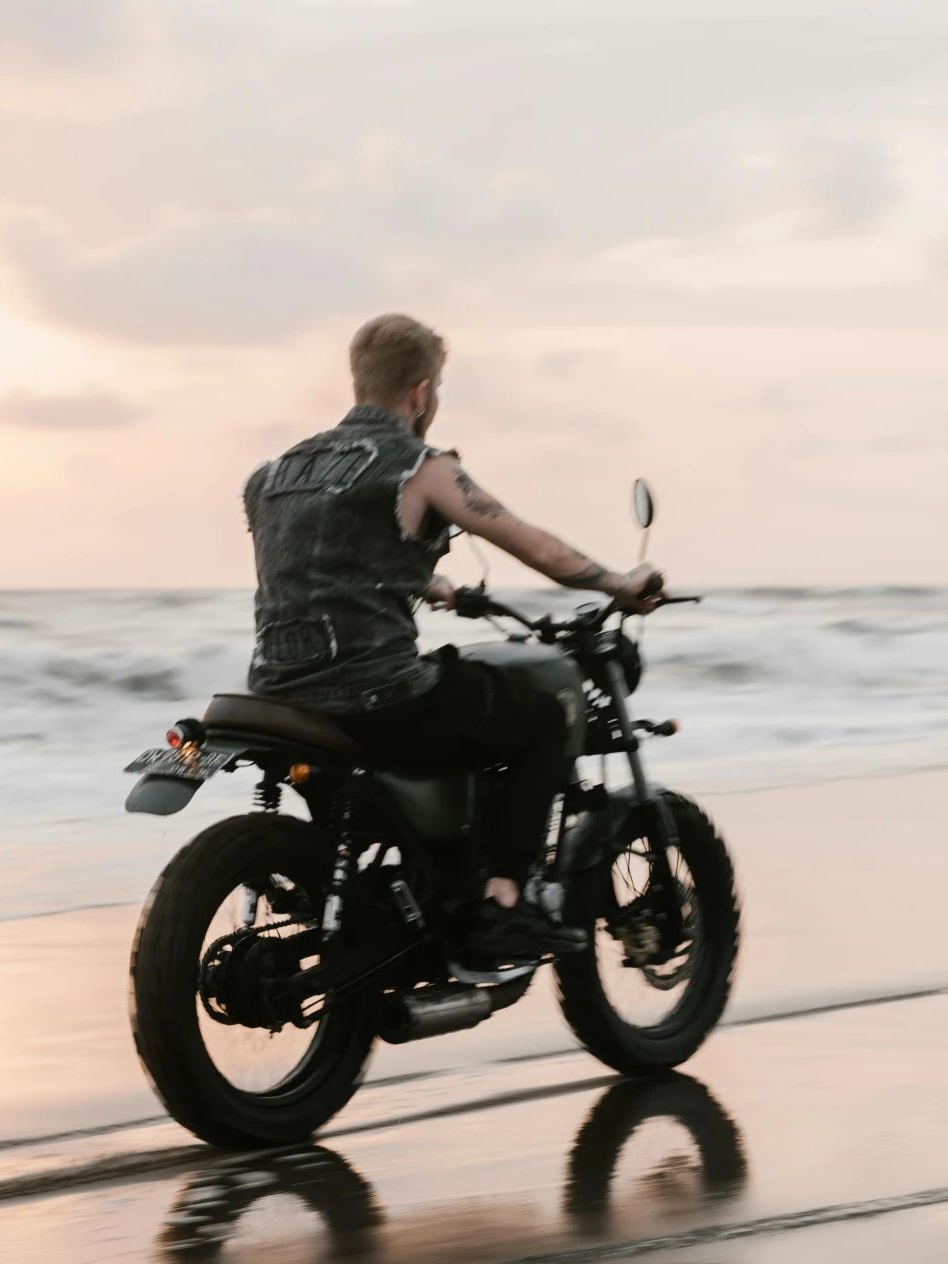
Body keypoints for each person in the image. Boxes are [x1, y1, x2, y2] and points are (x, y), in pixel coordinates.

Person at [243, 313, 664, 964]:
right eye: (434, 391)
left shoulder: (271, 475)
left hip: (277, 693)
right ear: (420, 393)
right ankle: (501, 902)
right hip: (377, 695)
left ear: (360, 383)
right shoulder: (421, 466)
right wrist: (620, 582)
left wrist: (420, 580)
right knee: (542, 714)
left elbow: (317, 564)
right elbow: (537, 546)